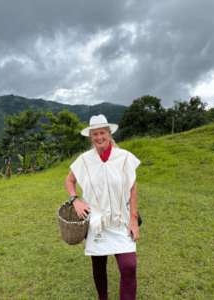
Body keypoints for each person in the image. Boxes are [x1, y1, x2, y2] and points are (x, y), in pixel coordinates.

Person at [65, 114, 141, 300]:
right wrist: (75, 200)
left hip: (120, 221)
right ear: (91, 137)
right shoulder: (84, 160)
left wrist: (133, 218)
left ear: (109, 134)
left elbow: (132, 189)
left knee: (129, 267)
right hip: (96, 222)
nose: (99, 137)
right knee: (99, 266)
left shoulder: (123, 158)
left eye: (102, 132)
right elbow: (69, 180)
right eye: (95, 133)